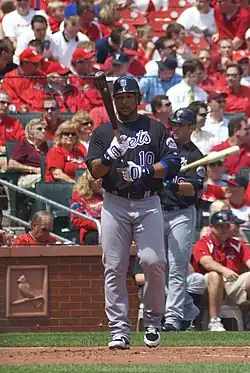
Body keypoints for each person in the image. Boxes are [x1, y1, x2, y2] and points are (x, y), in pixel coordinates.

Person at [86, 75, 181, 349]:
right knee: (114, 266)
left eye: (129, 96)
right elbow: (94, 171)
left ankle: (152, 321)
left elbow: (174, 162)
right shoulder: (103, 133)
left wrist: (147, 170)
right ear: (113, 101)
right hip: (114, 202)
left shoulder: (155, 128)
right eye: (119, 97)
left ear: (138, 99)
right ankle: (118, 330)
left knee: (153, 262)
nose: (124, 101)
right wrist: (108, 157)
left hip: (148, 201)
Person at [160, 108, 205, 332]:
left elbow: (193, 191)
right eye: (174, 124)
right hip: (157, 210)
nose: (175, 128)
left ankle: (173, 318)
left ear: (191, 128)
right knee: (160, 265)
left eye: (180, 125)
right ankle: (188, 308)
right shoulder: (163, 148)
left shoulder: (196, 155)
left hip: (181, 213)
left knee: (177, 267)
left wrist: (171, 183)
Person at [192, 209, 250, 331]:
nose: (224, 229)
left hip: (232, 283)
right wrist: (224, 270)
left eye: (227, 225)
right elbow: (206, 262)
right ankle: (214, 321)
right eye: (220, 226)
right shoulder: (204, 243)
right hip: (207, 286)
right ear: (212, 227)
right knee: (214, 275)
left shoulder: (237, 244)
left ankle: (248, 318)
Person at [133, 256, 205, 331]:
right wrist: (160, 276)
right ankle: (168, 321)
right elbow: (138, 279)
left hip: (175, 285)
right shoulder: (147, 253)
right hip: (153, 289)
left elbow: (190, 272)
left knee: (197, 279)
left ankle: (187, 319)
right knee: (167, 288)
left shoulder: (174, 251)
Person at [2, 47, 46, 112]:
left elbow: (47, 97)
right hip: (21, 115)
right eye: (35, 63)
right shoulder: (9, 78)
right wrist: (23, 108)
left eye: (39, 62)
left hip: (41, 113)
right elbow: (11, 100)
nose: (38, 65)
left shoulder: (41, 76)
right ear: (25, 62)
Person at [8, 118, 48, 189]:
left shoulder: (44, 146)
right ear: (30, 134)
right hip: (26, 177)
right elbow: (11, 164)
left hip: (42, 175)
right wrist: (33, 169)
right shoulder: (23, 143)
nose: (44, 131)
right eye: (39, 129)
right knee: (45, 178)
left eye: (45, 129)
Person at [70, 169, 103, 244]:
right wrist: (96, 224)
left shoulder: (107, 196)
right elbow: (76, 219)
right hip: (90, 230)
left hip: (109, 227)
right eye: (98, 181)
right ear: (90, 182)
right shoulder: (79, 197)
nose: (101, 183)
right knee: (93, 237)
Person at [0, 90, 25, 170]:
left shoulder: (15, 122)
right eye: (2, 102)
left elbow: (23, 141)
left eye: (8, 103)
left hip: (12, 156)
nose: (6, 105)